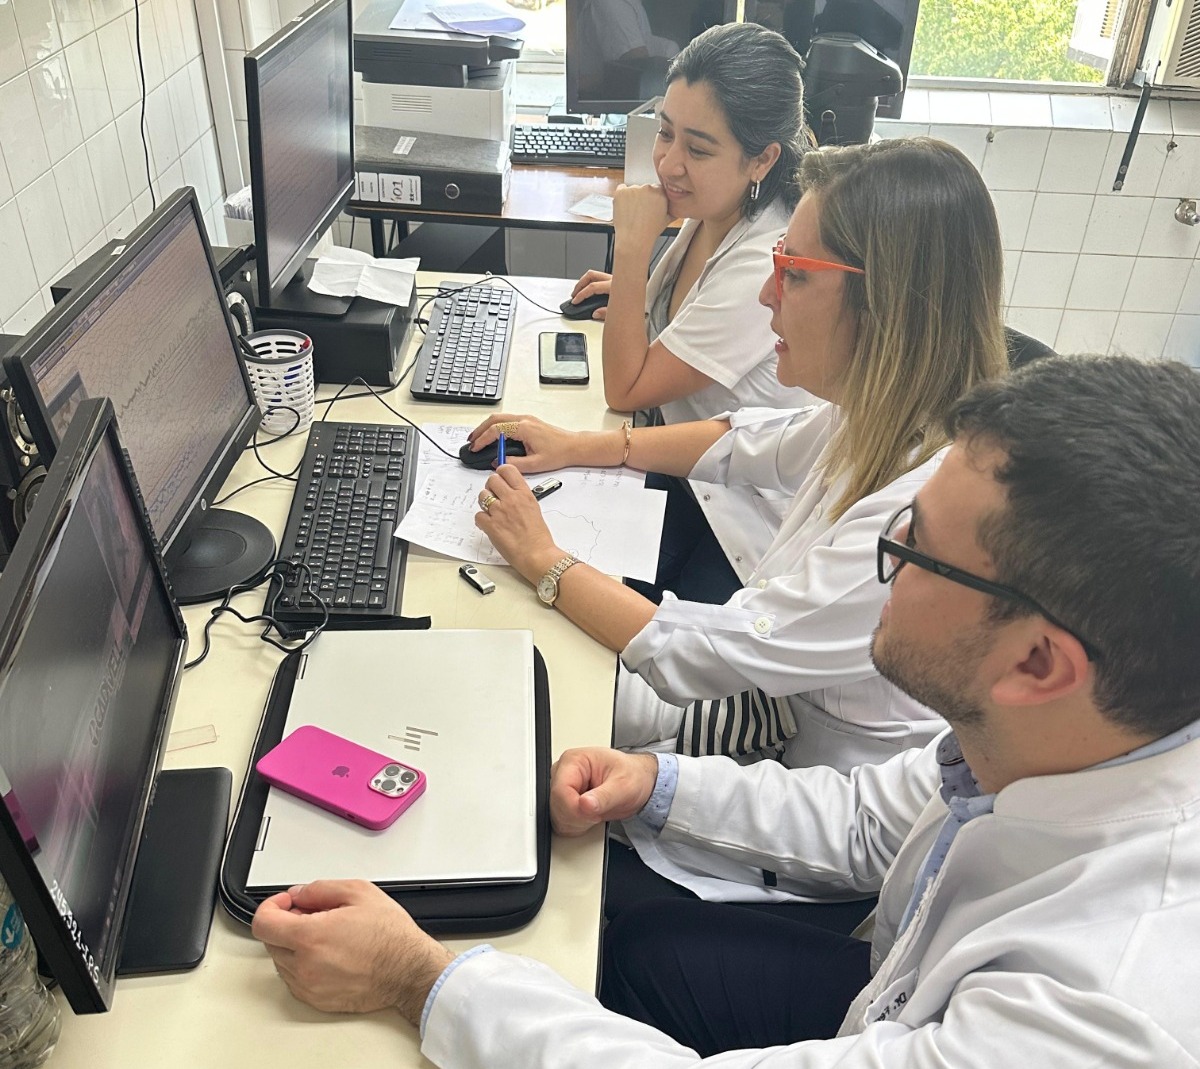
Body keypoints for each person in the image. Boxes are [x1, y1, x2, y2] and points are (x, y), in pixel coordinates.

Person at [252, 354, 1200, 1066]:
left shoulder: (1104, 1006)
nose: (887, 551)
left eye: (917, 546)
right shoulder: (1066, 740)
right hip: (897, 989)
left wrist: (419, 979)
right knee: (633, 942)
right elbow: (874, 817)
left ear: (1039, 661)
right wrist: (657, 784)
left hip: (922, 1015)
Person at [467, 138, 1005, 900]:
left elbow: (712, 651)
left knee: (554, 847)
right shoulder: (885, 417)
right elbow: (746, 441)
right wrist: (582, 445)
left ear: (886, 302)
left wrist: (543, 560)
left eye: (796, 273)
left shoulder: (918, 518)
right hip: (768, 712)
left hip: (813, 806)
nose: (767, 295)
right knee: (528, 698)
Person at [567, 22, 816, 604]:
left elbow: (625, 390)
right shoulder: (719, 209)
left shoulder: (764, 255)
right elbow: (678, 323)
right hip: (686, 469)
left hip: (734, 516)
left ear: (762, 159)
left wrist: (630, 253)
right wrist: (635, 296)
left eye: (698, 149)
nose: (668, 165)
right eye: (665, 133)